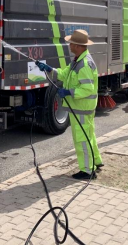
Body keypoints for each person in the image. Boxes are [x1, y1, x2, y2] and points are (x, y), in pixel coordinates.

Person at [36, 29, 102, 180]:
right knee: (89, 134)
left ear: (78, 46)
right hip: (83, 107)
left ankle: (87, 170)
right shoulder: (77, 60)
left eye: (71, 43)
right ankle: (96, 160)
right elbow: (64, 74)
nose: (69, 45)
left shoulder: (84, 64)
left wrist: (69, 92)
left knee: (82, 139)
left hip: (82, 107)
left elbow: (87, 89)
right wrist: (49, 69)